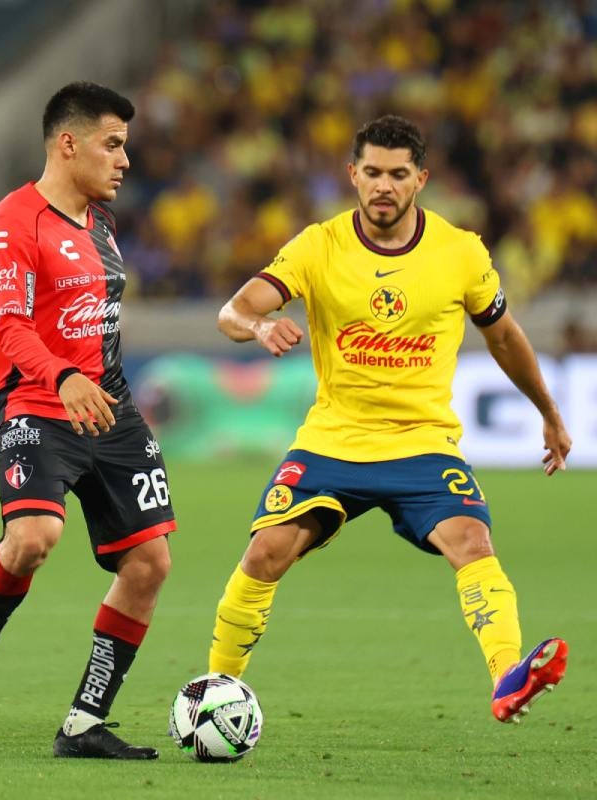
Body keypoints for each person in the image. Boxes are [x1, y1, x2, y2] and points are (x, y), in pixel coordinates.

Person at [207, 115, 573, 724]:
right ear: (352, 175)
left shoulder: (460, 252)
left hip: (422, 444)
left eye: (398, 175)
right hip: (334, 439)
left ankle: (508, 675)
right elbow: (234, 309)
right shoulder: (318, 246)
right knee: (266, 552)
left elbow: (504, 337)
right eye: (372, 172)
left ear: (421, 179)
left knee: (472, 542)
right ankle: (214, 690)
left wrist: (550, 415)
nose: (384, 186)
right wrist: (260, 325)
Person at [0, 82, 175, 758]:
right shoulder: (14, 222)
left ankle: (85, 723)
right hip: (39, 403)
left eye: (126, 146)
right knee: (33, 538)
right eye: (112, 144)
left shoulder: (102, 225)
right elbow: (10, 326)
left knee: (150, 563)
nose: (125, 160)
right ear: (68, 144)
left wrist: (100, 386)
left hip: (110, 410)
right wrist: (62, 377)